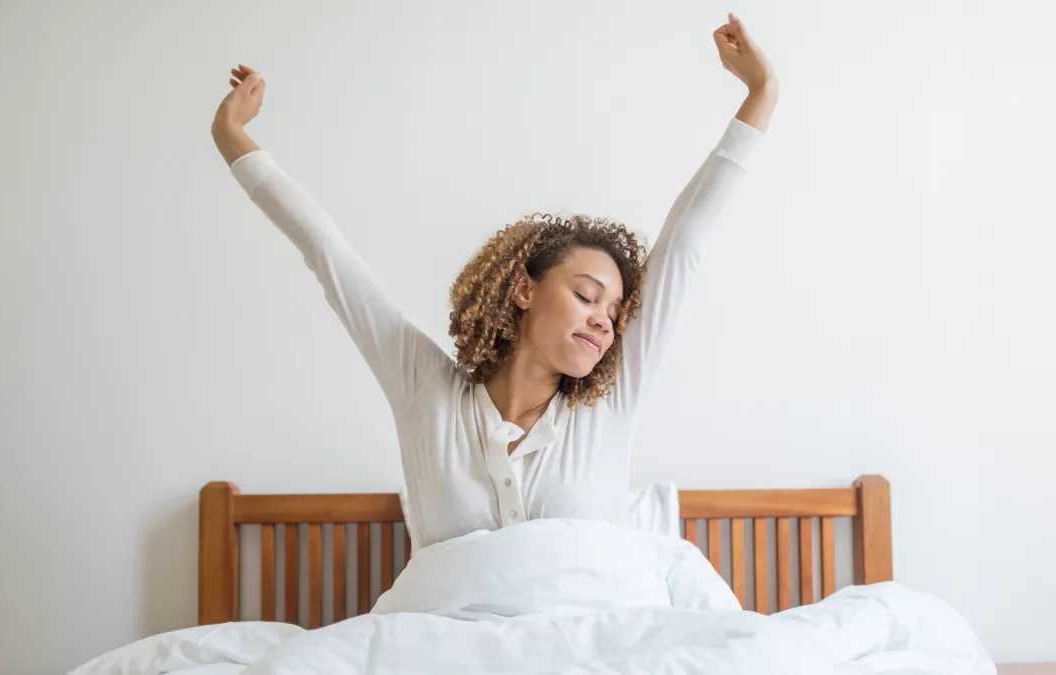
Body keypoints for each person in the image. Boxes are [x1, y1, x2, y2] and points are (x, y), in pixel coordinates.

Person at [210, 13, 778, 550]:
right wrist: (232, 136)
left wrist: (762, 94)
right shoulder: (424, 390)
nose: (604, 320)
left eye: (613, 310)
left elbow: (684, 244)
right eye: (585, 295)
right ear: (524, 289)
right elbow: (328, 253)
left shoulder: (611, 403)